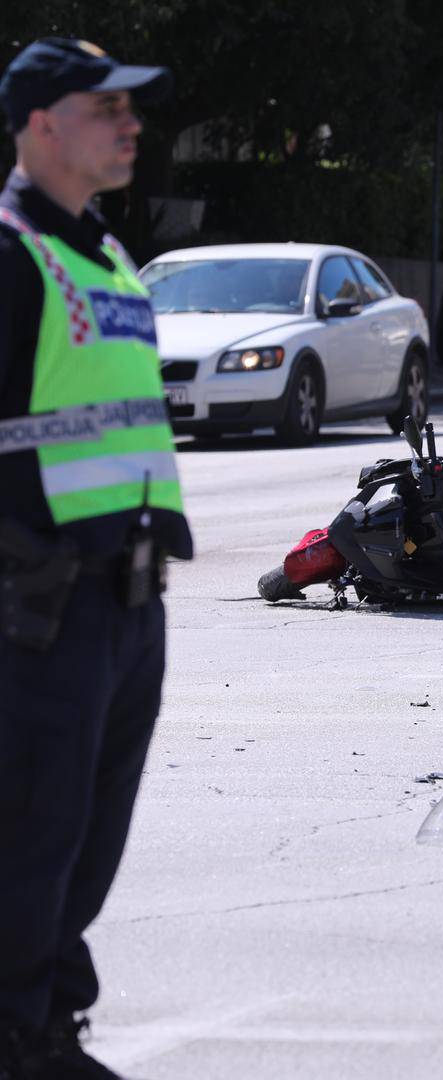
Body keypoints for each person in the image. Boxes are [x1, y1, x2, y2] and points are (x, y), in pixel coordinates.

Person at [0, 38, 191, 1079]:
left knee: (80, 845)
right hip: (41, 604)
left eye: (133, 110)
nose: (129, 125)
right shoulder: (10, 253)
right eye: (103, 108)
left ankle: (46, 1022)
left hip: (125, 600)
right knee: (30, 837)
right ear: (39, 126)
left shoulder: (103, 254)